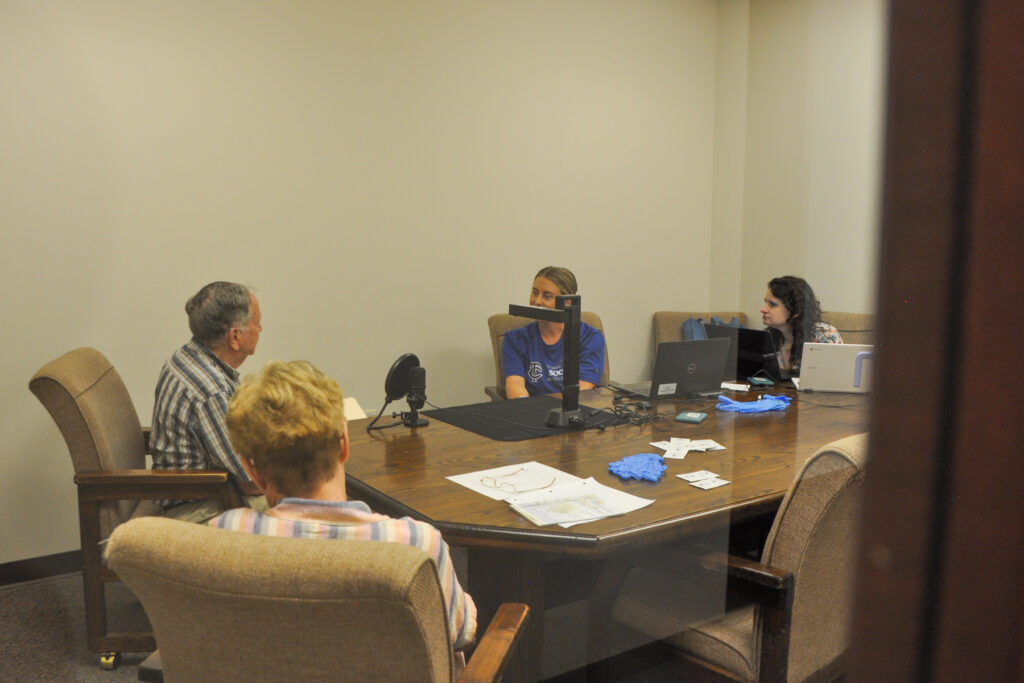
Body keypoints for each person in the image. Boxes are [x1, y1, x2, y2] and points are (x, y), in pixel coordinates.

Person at [209, 360, 477, 653]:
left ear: (252, 469)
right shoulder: (416, 545)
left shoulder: (224, 536)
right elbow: (459, 634)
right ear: (344, 443)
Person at [151, 281, 267, 523]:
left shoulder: (185, 354)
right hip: (201, 505)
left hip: (207, 489)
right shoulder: (211, 391)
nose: (261, 328)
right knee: (310, 507)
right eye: (256, 322)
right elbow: (251, 481)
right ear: (235, 336)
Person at [501, 266, 605, 398]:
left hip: (574, 411)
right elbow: (515, 385)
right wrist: (528, 411)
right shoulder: (515, 339)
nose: (536, 301)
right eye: (534, 292)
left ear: (567, 301)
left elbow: (583, 389)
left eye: (547, 296)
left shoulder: (590, 338)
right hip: (532, 412)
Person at [761, 275, 843, 376]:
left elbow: (836, 378)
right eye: (766, 303)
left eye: (773, 304)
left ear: (796, 310)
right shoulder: (767, 336)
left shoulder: (825, 336)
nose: (763, 309)